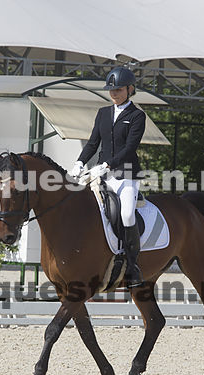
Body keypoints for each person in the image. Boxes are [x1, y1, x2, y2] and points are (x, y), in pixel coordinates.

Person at [69, 67, 146, 287]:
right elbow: (93, 143)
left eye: (118, 90)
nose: (114, 93)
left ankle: (132, 266)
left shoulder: (137, 116)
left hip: (126, 175)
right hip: (101, 175)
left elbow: (130, 148)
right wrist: (79, 162)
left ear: (130, 89)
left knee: (127, 214)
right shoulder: (103, 113)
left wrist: (105, 165)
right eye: (111, 90)